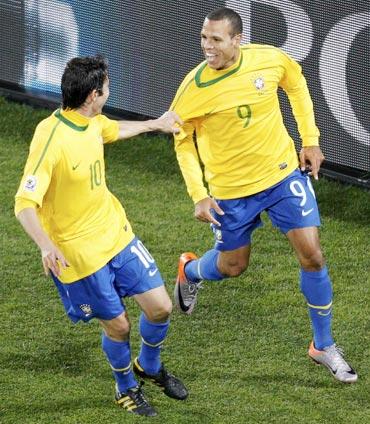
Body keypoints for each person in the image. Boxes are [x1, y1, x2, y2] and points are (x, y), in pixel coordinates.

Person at [171, 7, 357, 384]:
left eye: (216, 40)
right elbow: (182, 141)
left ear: (237, 40)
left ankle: (322, 345)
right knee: (232, 267)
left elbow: (296, 81)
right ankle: (189, 270)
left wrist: (310, 139)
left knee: (313, 254)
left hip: (281, 176)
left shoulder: (268, 59)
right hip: (231, 193)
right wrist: (199, 195)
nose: (208, 47)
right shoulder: (193, 87)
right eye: (204, 38)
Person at [15, 55, 188, 417]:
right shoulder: (51, 138)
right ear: (94, 95)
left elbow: (112, 130)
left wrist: (155, 124)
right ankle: (125, 387)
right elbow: (24, 202)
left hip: (115, 233)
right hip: (78, 254)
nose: (109, 92)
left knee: (161, 307)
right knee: (120, 326)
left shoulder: (91, 121)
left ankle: (149, 366)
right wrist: (46, 246)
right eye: (107, 87)